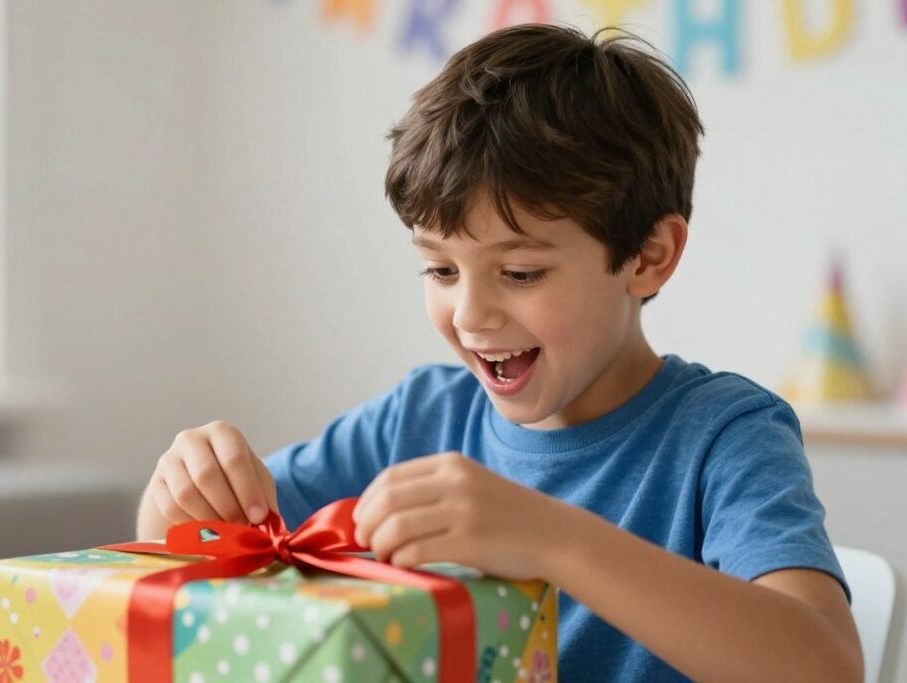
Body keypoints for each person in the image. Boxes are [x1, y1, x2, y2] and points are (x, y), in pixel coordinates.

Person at [137, 23, 862, 681]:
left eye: (520, 273)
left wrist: (554, 539)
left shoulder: (723, 435)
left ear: (648, 255)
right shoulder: (414, 420)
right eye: (441, 270)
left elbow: (824, 665)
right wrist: (176, 503)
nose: (471, 313)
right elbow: (200, 561)